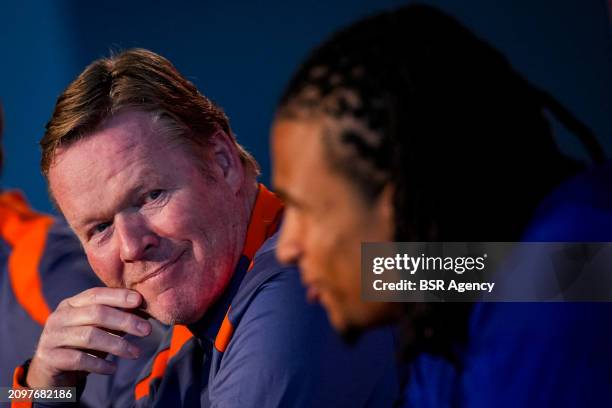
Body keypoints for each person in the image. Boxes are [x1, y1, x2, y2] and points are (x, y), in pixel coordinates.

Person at [14, 49, 398, 407]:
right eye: (99, 228)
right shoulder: (194, 327)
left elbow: (444, 272)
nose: (131, 246)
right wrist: (39, 385)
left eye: (151, 196)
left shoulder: (298, 289)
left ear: (223, 162)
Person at [271, 4, 612, 406]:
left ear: (396, 198)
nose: (286, 247)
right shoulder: (474, 269)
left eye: (305, 209)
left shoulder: (570, 278)